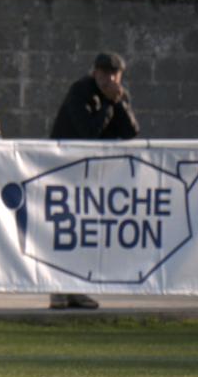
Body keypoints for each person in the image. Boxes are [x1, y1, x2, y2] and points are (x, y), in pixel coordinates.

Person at [48, 51, 140, 310]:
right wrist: (110, 105)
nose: (109, 78)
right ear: (94, 72)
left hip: (98, 177)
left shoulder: (119, 95)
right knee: (65, 231)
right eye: (103, 72)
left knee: (86, 234)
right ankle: (57, 289)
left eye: (114, 73)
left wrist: (119, 103)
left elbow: (131, 131)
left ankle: (78, 289)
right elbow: (88, 131)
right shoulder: (81, 91)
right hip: (68, 172)